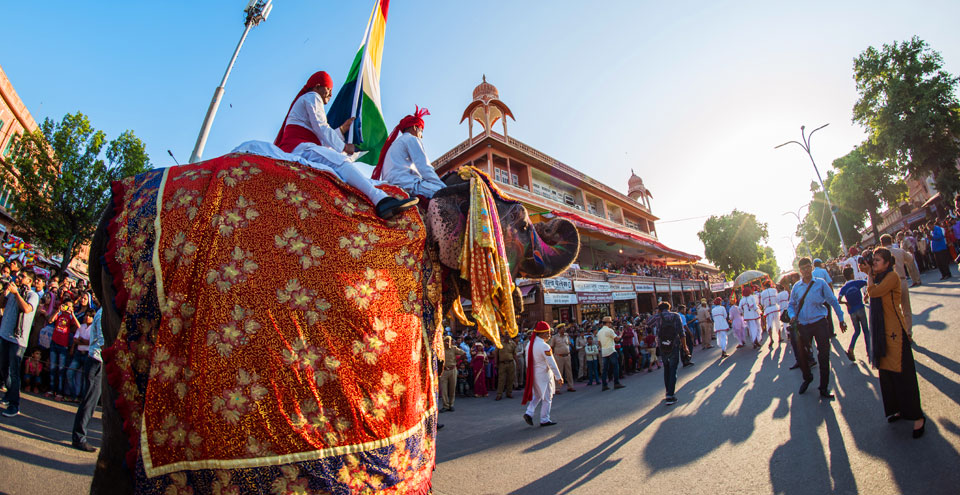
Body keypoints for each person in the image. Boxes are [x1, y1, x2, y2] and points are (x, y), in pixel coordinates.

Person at [274, 70, 417, 219]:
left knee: (338, 165)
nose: (330, 94)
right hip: (300, 149)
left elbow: (320, 138)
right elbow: (322, 127)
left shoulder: (306, 100)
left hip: (302, 148)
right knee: (340, 161)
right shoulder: (312, 97)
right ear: (317, 86)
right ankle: (381, 200)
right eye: (328, 89)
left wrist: (342, 130)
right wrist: (343, 147)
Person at [865, 247, 925, 438]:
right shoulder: (880, 276)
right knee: (888, 375)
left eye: (877, 260)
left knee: (904, 375)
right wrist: (871, 274)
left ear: (887, 263)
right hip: (883, 333)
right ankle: (898, 409)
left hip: (895, 333)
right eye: (873, 260)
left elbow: (873, 293)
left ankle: (917, 417)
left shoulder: (891, 277)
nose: (873, 263)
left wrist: (869, 275)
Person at [787, 257, 847, 400]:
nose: (806, 270)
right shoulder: (796, 287)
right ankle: (807, 378)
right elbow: (791, 305)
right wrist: (792, 315)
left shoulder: (820, 283)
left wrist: (841, 319)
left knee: (824, 355)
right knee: (801, 355)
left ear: (811, 268)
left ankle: (823, 387)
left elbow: (832, 300)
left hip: (819, 323)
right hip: (803, 326)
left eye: (808, 267)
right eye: (803, 268)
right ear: (800, 270)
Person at [372, 107, 446, 199]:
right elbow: (424, 167)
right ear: (415, 127)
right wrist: (443, 187)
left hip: (391, 184)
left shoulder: (396, 143)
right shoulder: (411, 139)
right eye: (421, 131)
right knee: (446, 195)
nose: (421, 136)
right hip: (407, 185)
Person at [0, 270, 40, 417]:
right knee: (3, 368)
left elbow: (27, 309)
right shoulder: (11, 291)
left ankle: (14, 405)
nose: (19, 278)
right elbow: (1, 304)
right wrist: (5, 292)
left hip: (17, 340)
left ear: (30, 281)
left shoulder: (32, 295)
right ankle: (9, 394)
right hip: (4, 334)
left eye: (23, 276)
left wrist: (16, 294)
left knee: (14, 372)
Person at [71, 308, 104, 451]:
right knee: (90, 402)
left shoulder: (105, 312)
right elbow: (104, 343)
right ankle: (79, 437)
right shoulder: (103, 314)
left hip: (99, 362)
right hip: (97, 362)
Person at [522, 322, 563, 427]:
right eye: (548, 333)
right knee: (547, 397)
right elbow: (552, 363)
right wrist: (558, 376)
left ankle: (529, 412)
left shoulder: (529, 345)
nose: (549, 335)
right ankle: (544, 419)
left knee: (538, 395)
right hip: (544, 375)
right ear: (542, 334)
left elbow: (527, 361)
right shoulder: (544, 346)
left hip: (534, 374)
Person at [880, 234, 919, 333]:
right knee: (906, 308)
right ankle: (908, 332)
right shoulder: (899, 251)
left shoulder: (880, 255)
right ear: (892, 241)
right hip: (902, 280)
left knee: (894, 310)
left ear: (882, 243)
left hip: (889, 284)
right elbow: (910, 258)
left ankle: (900, 333)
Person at [651, 302, 687, 405]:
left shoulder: (657, 317)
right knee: (673, 369)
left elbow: (648, 323)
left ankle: (668, 392)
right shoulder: (675, 316)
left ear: (659, 309)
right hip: (674, 345)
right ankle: (670, 395)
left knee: (666, 369)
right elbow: (682, 333)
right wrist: (685, 347)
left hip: (663, 346)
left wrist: (657, 315)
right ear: (669, 308)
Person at [838, 266, 869, 362]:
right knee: (866, 331)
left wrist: (846, 303)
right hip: (860, 308)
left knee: (857, 331)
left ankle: (851, 348)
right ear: (852, 274)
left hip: (852, 312)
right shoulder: (857, 283)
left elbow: (839, 300)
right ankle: (869, 351)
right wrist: (867, 295)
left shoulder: (844, 288)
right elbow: (867, 282)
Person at [596, 316, 624, 391]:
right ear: (608, 323)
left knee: (605, 369)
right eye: (610, 323)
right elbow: (617, 339)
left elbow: (599, 343)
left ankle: (604, 385)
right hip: (611, 350)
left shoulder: (599, 332)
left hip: (604, 351)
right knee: (615, 366)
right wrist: (621, 334)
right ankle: (616, 383)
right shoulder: (609, 330)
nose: (611, 324)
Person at [439, 336, 465, 412]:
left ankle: (451, 404)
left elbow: (464, 353)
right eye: (445, 341)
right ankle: (445, 406)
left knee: (452, 388)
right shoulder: (440, 349)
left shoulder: (454, 348)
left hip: (453, 370)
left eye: (449, 341)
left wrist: (458, 361)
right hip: (444, 371)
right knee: (444, 389)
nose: (447, 342)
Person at [548, 325, 576, 393]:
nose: (564, 329)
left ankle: (570, 386)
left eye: (564, 328)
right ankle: (557, 388)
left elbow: (569, 343)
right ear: (559, 329)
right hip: (559, 356)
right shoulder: (555, 337)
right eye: (562, 328)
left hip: (567, 356)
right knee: (559, 372)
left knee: (569, 372)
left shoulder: (566, 336)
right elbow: (551, 347)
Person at [760, 281, 782, 349]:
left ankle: (771, 339)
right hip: (775, 308)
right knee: (777, 323)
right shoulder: (774, 290)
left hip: (768, 310)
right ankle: (779, 337)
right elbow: (777, 299)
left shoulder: (763, 293)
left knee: (769, 325)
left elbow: (762, 303)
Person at [495, 336, 518, 400]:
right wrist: (495, 363)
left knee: (511, 378)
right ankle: (499, 394)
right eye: (505, 334)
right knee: (501, 379)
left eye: (508, 335)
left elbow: (514, 354)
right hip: (502, 363)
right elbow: (496, 354)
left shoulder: (512, 344)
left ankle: (509, 393)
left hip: (511, 362)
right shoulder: (499, 343)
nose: (507, 336)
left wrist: (517, 363)